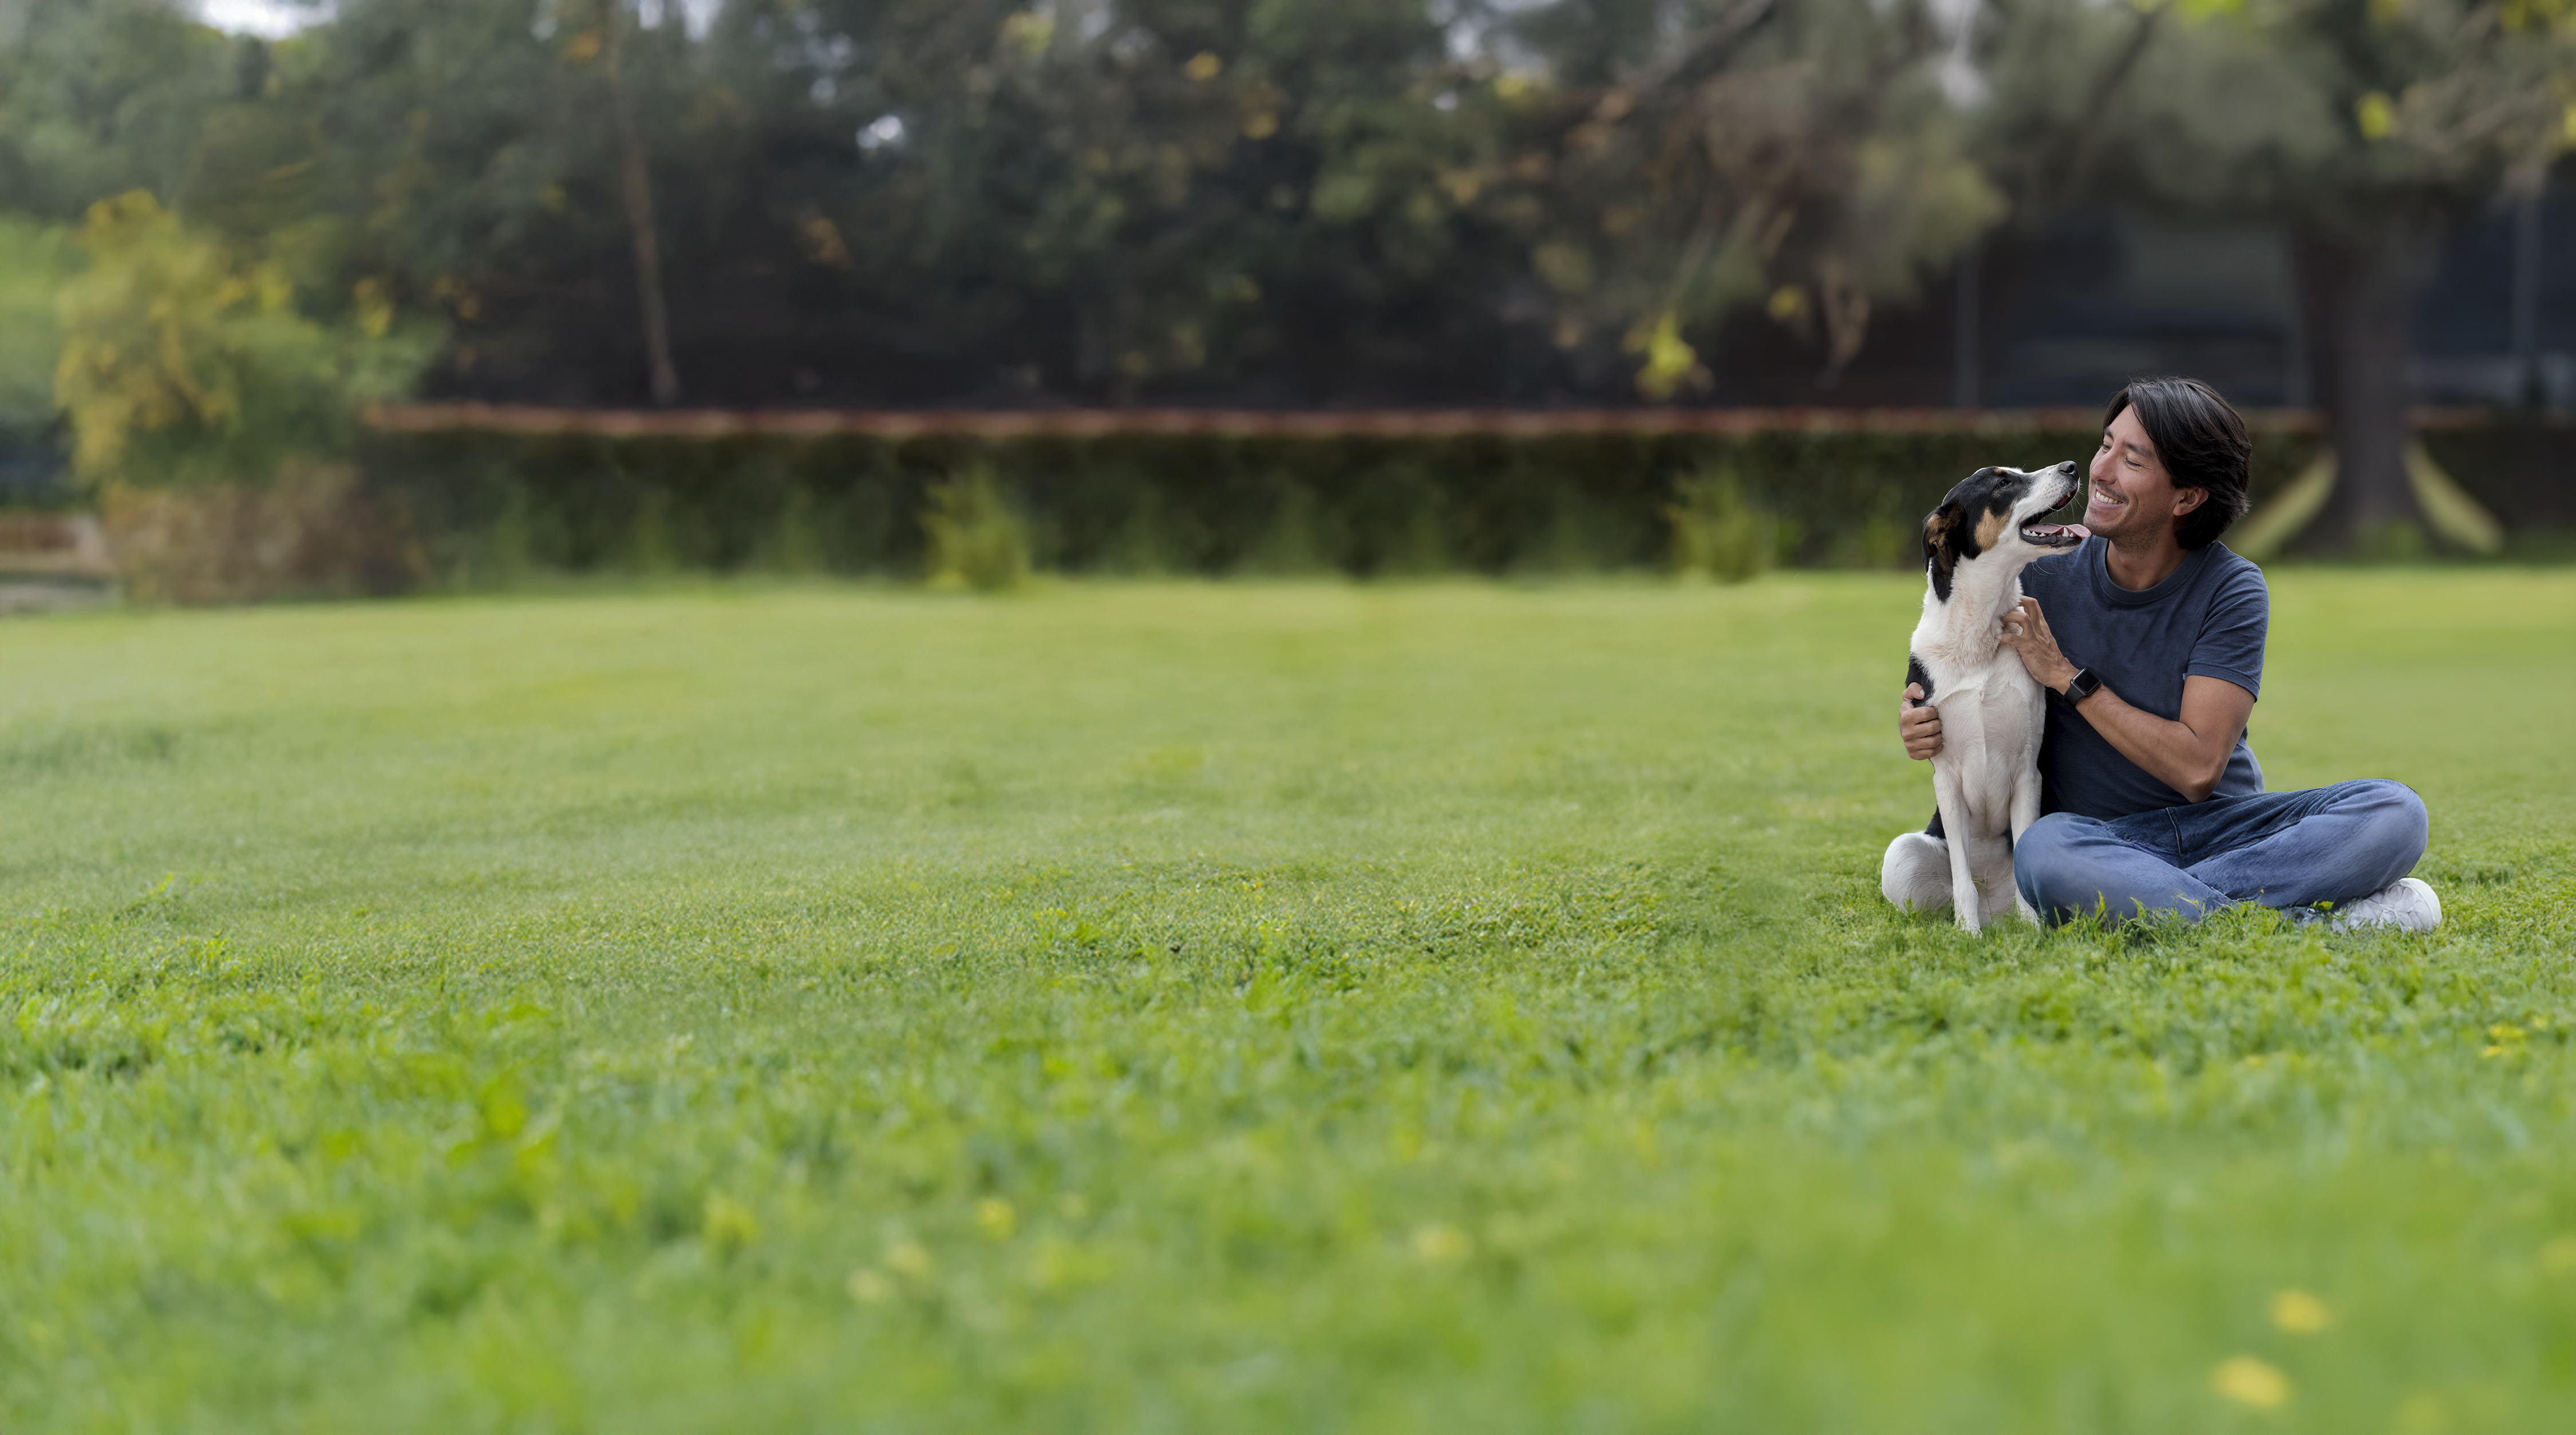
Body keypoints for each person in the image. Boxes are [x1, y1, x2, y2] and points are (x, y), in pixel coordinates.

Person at [1883, 376, 2440, 930]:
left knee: (2396, 812)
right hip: (2097, 840)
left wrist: (2067, 676)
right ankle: (2291, 919)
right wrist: (1923, 720)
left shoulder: (2232, 587)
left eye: (2132, 459)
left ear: (2187, 496)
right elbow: (1960, 681)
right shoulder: (2038, 572)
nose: (2100, 470)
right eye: (2106, 445)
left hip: (2225, 828)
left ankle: (2170, 905)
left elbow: (2198, 768)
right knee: (2040, 851)